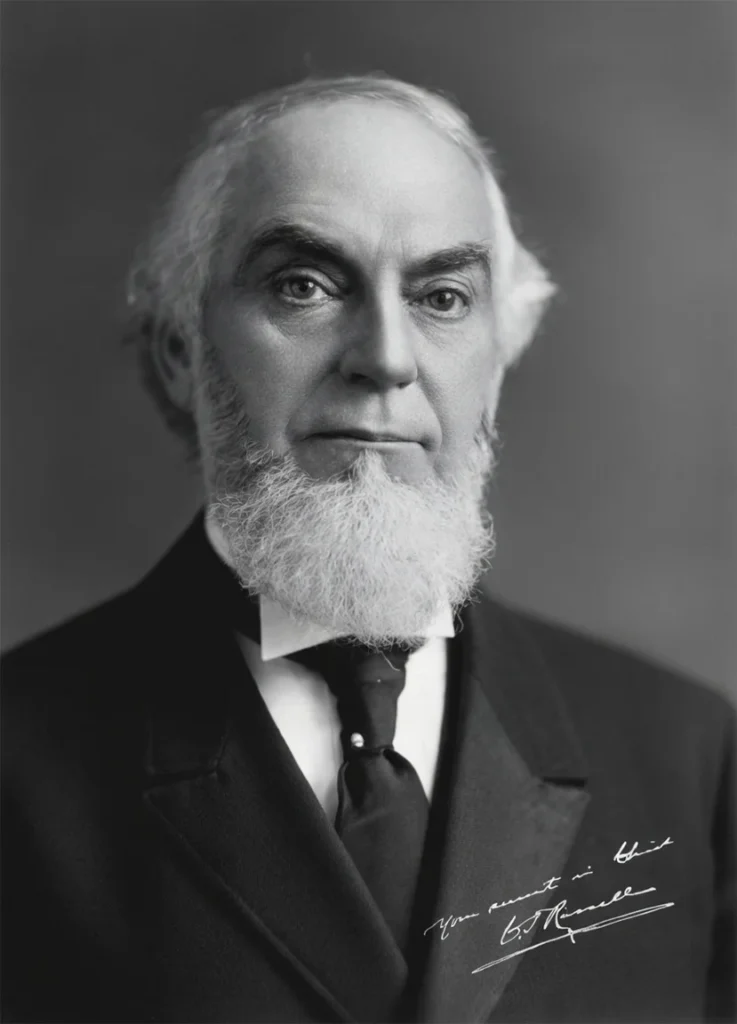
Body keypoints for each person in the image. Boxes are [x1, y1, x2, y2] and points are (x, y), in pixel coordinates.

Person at [1, 74, 734, 1024]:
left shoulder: (688, 758)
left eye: (442, 296)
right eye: (303, 286)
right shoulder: (21, 761)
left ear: (497, 363)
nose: (385, 357)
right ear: (182, 350)